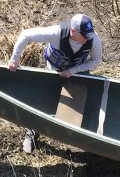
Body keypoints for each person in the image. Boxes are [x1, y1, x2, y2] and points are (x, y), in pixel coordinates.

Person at [7, 13, 102, 152]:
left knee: (83, 100)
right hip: (54, 71)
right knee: (43, 99)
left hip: (77, 73)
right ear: (73, 31)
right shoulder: (56, 33)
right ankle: (32, 133)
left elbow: (96, 60)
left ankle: (83, 136)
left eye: (89, 34)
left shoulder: (93, 39)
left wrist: (73, 71)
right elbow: (26, 34)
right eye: (85, 35)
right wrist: (14, 59)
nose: (88, 37)